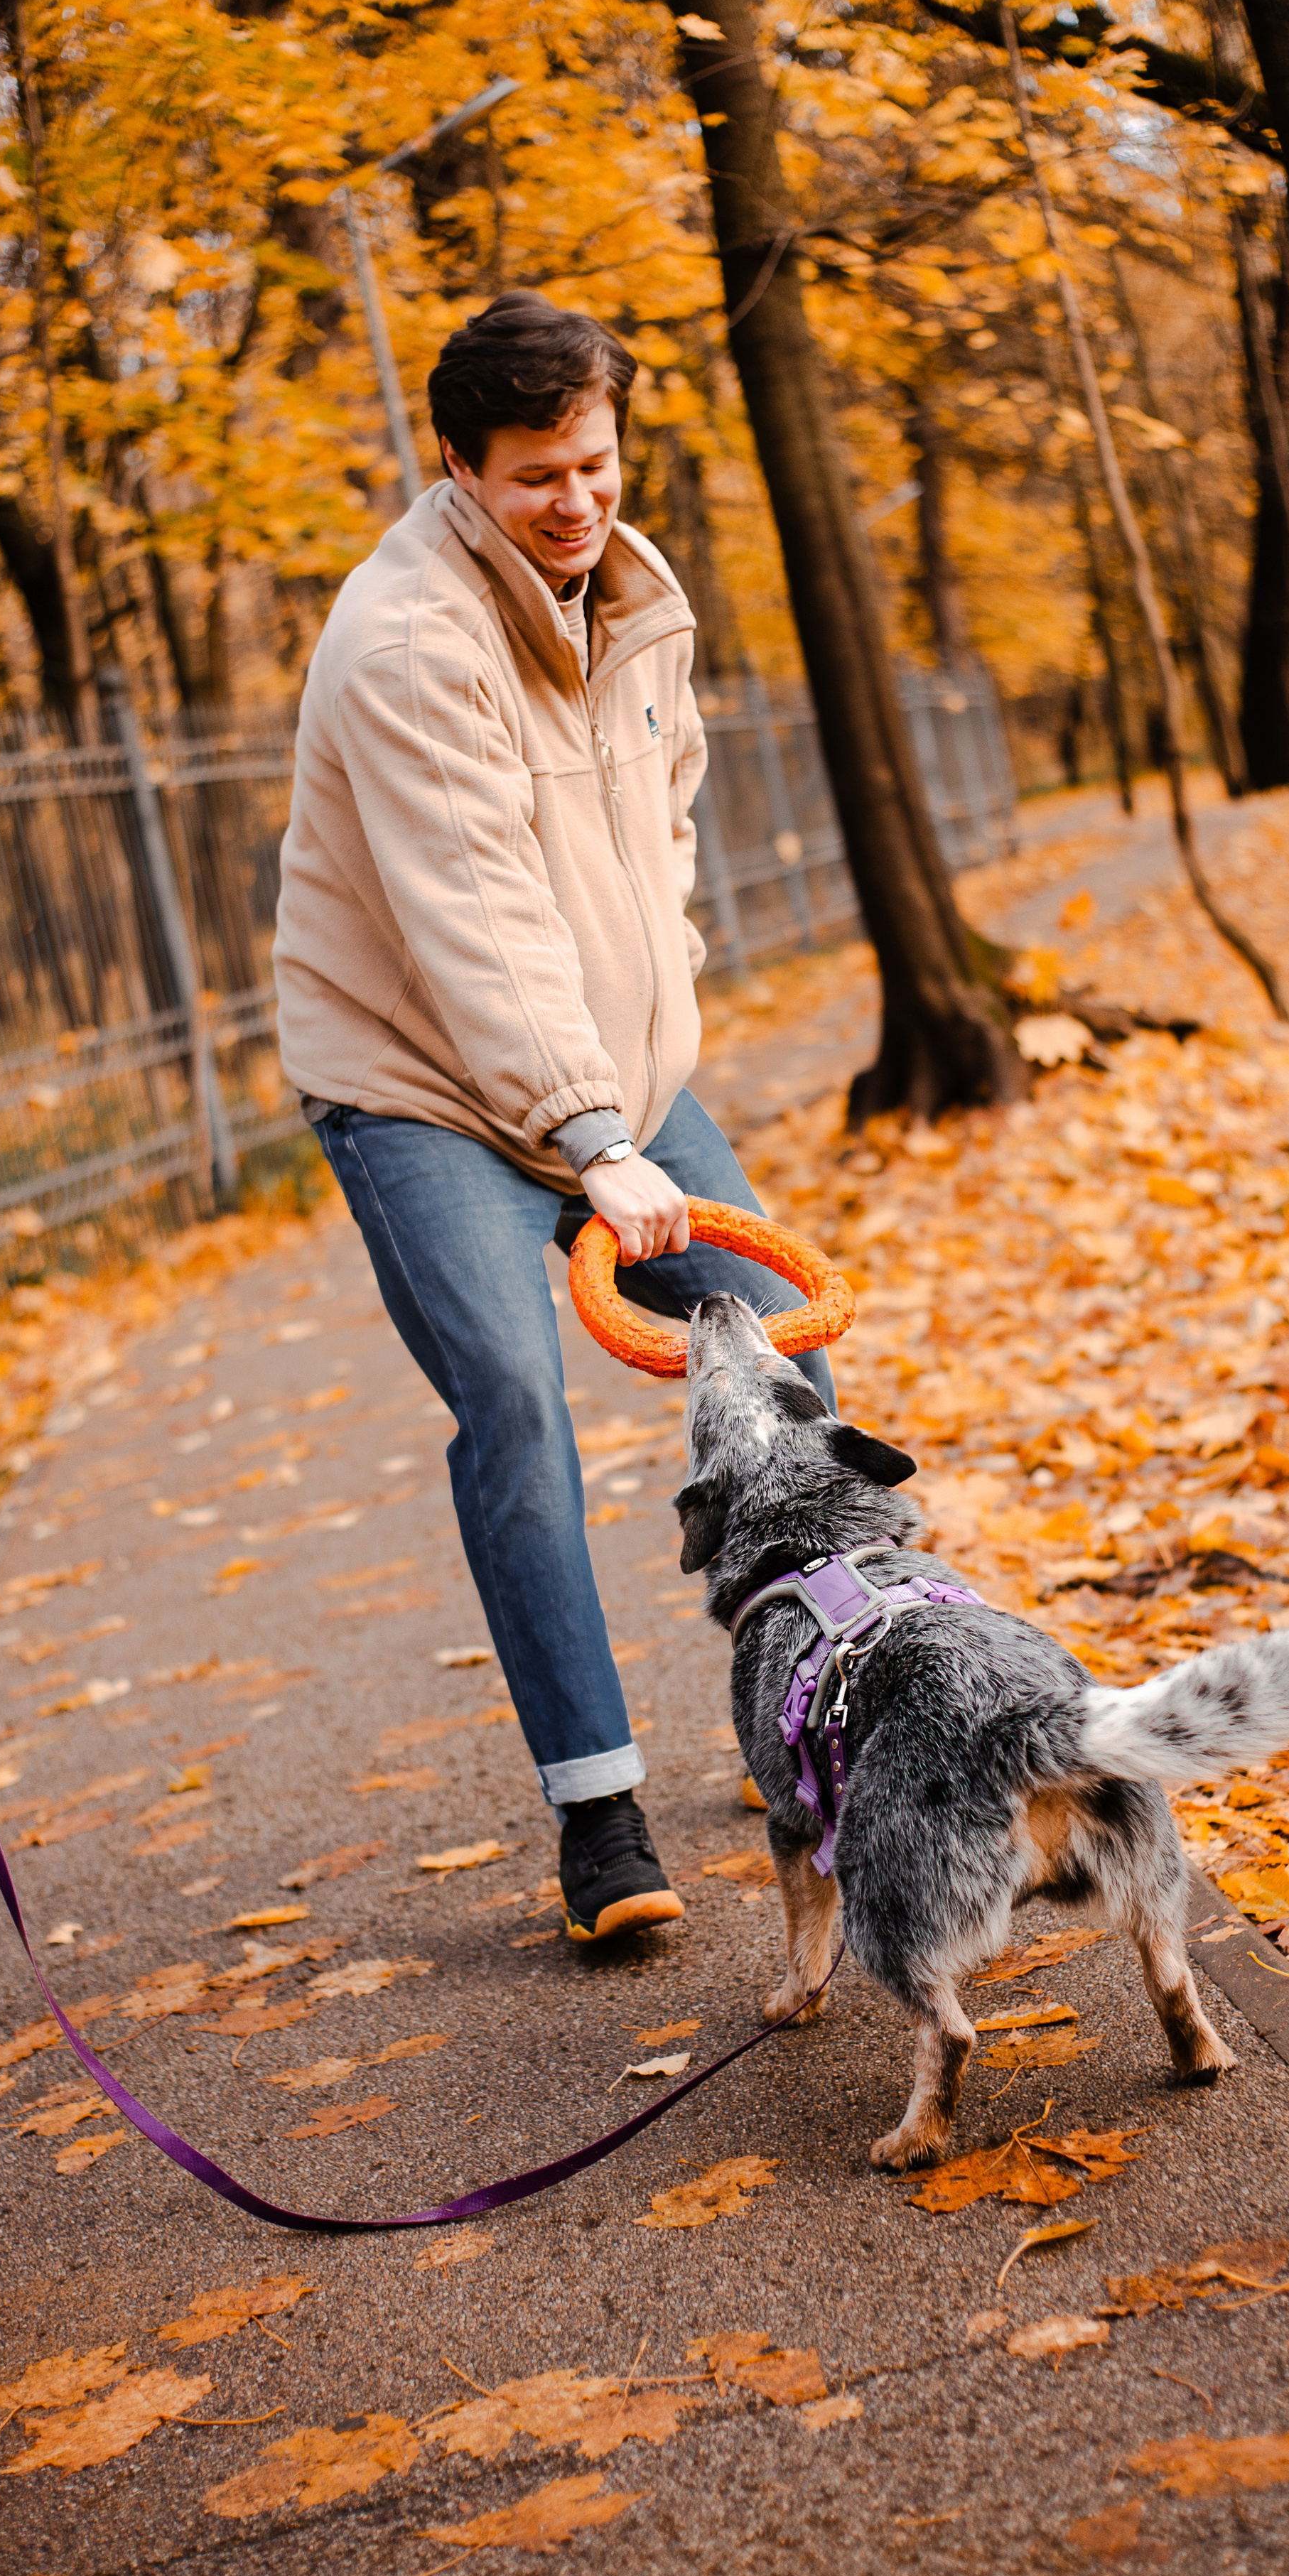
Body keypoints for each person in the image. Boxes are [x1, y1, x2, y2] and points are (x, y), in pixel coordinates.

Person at [274, 291, 834, 1944]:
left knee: (783, 1349)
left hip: (614, 1084)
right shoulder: (403, 642)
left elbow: (658, 822)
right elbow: (476, 916)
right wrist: (592, 1135)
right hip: (423, 1089)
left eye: (591, 462)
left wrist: (655, 1011)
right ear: (460, 467)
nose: (575, 501)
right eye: (534, 478)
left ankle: (804, 1702)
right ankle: (598, 1814)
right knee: (513, 1399)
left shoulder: (634, 590)